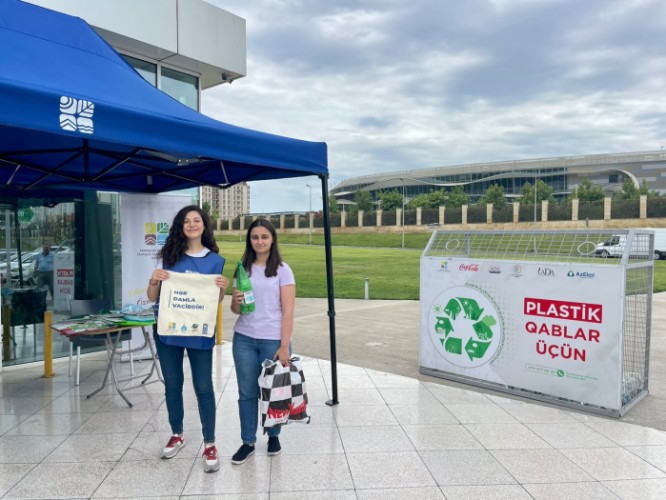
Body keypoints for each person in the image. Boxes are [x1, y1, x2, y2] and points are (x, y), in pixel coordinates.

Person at [147, 205, 228, 473]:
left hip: (199, 331)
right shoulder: (170, 257)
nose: (191, 224)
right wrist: (154, 280)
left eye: (196, 220)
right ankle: (177, 433)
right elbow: (152, 297)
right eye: (186, 221)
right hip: (168, 329)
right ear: (180, 227)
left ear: (204, 225)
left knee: (204, 387)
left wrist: (222, 290)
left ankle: (210, 442)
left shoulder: (215, 261)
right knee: (172, 384)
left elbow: (214, 301)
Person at [229, 218, 295, 464]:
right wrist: (235, 300)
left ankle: (274, 435)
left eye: (264, 237)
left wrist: (284, 345)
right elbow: (237, 310)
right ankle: (248, 441)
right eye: (255, 237)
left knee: (273, 392)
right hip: (244, 338)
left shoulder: (283, 270)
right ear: (250, 240)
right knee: (246, 393)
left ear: (272, 239)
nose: (259, 241)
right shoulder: (242, 268)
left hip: (272, 340)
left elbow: (288, 311)